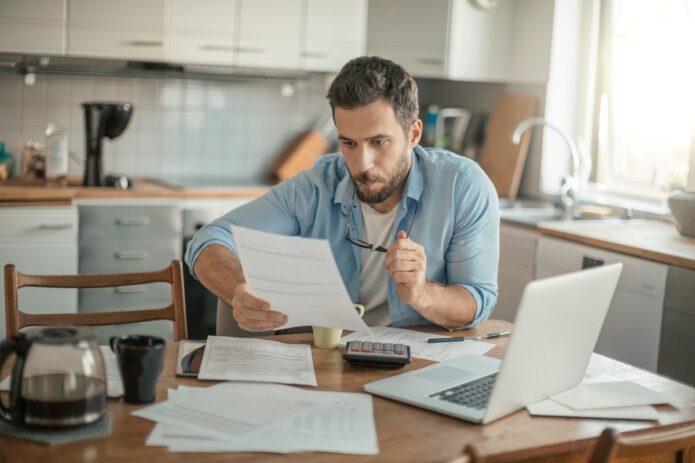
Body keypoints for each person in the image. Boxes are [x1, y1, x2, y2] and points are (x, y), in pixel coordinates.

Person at [185, 56, 499, 332]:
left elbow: (478, 301)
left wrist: (421, 293)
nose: (361, 164)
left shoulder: (463, 186)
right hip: (330, 362)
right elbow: (210, 238)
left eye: (378, 142)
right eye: (349, 143)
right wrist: (237, 290)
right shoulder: (314, 186)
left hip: (417, 363)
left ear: (413, 134)